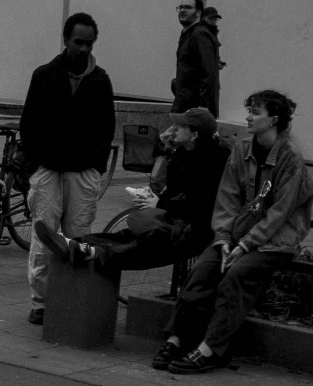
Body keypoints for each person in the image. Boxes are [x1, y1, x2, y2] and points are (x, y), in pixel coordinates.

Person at [156, 89, 313, 375]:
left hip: (275, 240)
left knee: (236, 276)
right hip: (240, 233)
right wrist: (223, 237)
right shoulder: (242, 149)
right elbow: (227, 198)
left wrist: (245, 245)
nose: (248, 117)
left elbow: (280, 212)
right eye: (249, 111)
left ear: (274, 120)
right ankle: (177, 339)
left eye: (256, 112)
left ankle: (212, 349)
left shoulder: (290, 157)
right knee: (203, 269)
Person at [41, 106, 227, 276]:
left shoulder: (213, 160)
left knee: (146, 245)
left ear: (195, 135)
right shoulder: (184, 152)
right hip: (177, 219)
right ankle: (79, 242)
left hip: (197, 229)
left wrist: (160, 203)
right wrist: (167, 153)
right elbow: (175, 190)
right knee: (129, 235)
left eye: (181, 126)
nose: (174, 129)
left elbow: (199, 204)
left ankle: (92, 251)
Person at [20, 11, 114, 324]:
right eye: (78, 42)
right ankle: (41, 304)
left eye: (89, 43)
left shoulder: (100, 80)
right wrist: (35, 166)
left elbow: (106, 127)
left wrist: (96, 168)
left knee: (80, 238)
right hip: (47, 169)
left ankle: (73, 300)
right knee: (44, 237)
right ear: (66, 40)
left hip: (83, 171)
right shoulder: (44, 75)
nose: (84, 48)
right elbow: (29, 124)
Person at [171, 0, 220, 115]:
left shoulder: (199, 34)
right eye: (180, 7)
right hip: (184, 104)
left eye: (187, 7)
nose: (182, 10)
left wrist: (203, 107)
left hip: (194, 109)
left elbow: (208, 73)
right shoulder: (188, 33)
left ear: (198, 13)